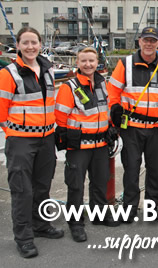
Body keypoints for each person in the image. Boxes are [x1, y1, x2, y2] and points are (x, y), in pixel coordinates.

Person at [0, 27, 64, 258]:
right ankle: (24, 237)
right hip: (21, 141)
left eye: (34, 42)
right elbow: (1, 111)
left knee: (42, 187)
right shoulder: (9, 73)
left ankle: (40, 224)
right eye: (25, 43)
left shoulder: (47, 69)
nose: (30, 47)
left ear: (40, 44)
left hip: (46, 138)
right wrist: (15, 132)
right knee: (22, 190)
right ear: (17, 45)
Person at [107, 27, 158, 223]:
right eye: (146, 40)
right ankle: (129, 209)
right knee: (131, 170)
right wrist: (115, 113)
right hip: (131, 128)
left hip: (156, 129)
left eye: (153, 41)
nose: (149, 44)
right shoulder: (125, 64)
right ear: (139, 41)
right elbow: (112, 92)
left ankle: (151, 208)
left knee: (154, 171)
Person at [55, 47, 119, 243]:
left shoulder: (102, 84)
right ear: (77, 63)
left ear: (97, 62)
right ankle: (75, 222)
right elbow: (60, 117)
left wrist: (112, 130)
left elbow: (107, 111)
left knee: (100, 181)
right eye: (84, 61)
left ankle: (99, 214)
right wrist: (70, 140)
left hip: (100, 143)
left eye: (91, 61)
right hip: (79, 146)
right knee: (75, 185)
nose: (88, 64)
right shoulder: (69, 87)